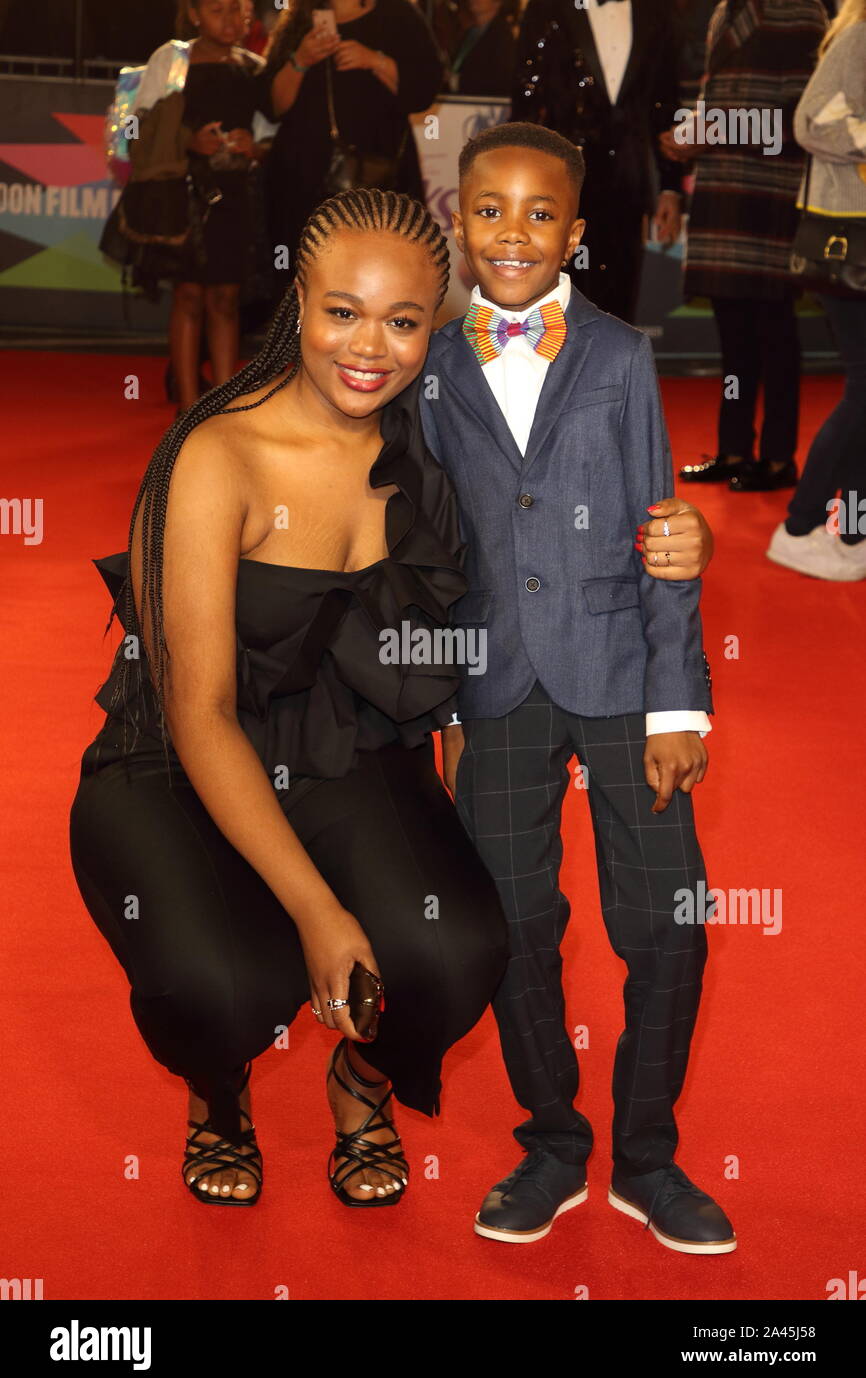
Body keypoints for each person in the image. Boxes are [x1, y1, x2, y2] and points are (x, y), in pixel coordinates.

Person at [69, 189, 511, 1209]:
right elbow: (199, 710)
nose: (370, 347)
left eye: (403, 321)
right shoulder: (218, 453)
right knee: (228, 980)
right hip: (180, 755)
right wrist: (318, 909)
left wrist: (675, 545)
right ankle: (217, 1096)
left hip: (342, 748)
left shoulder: (426, 446)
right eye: (341, 312)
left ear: (430, 326)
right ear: (296, 304)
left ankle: (360, 1083)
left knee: (454, 948)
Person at [421, 121, 734, 1253]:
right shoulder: (423, 363)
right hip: (488, 682)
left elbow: (662, 527)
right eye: (488, 208)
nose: (512, 231)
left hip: (617, 676)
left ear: (576, 233)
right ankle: (551, 1139)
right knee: (512, 924)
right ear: (455, 218)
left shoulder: (620, 354)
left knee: (667, 924)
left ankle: (645, 1157)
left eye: (538, 212)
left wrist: (677, 700)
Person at [670, 0, 828, 491]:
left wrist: (710, 132)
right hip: (724, 190)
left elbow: (805, 121)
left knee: (774, 332)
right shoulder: (728, 10)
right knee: (734, 334)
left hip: (769, 194)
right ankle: (734, 449)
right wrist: (696, 136)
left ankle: (779, 459)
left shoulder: (800, 13)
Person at [130, 0, 282, 413]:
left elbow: (273, 134)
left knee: (227, 299)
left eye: (239, 10)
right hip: (184, 193)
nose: (231, 20)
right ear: (194, 14)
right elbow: (134, 128)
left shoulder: (254, 67)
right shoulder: (171, 59)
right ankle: (187, 401)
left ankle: (221, 401)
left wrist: (258, 149)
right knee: (188, 295)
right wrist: (188, 141)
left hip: (236, 195)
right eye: (219, 10)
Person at [767, 0, 866, 581]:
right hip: (848, 242)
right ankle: (799, 527)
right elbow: (809, 121)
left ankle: (852, 533)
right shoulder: (859, 36)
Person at [511, 0, 685, 325]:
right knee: (557, 299)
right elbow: (527, 97)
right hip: (561, 181)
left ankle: (613, 376)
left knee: (618, 302)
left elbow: (665, 103)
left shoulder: (655, 13)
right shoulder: (547, 7)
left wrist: (671, 187)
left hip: (628, 182)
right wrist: (521, 179)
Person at [262, 0, 443, 288]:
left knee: (382, 278)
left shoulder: (398, 13)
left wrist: (374, 60)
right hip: (303, 179)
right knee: (306, 283)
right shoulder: (299, 18)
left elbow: (423, 90)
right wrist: (300, 61)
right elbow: (272, 106)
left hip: (380, 177)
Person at [442, 0, 517, 98]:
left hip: (483, 104)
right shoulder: (470, 31)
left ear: (497, 2)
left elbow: (500, 78)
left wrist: (458, 81)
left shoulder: (502, 34)